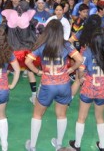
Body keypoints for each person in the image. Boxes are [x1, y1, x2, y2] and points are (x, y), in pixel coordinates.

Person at [24, 20, 83, 151]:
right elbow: (80, 59)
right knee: (61, 114)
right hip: (63, 84)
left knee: (38, 114)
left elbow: (28, 61)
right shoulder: (66, 45)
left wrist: (38, 71)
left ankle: (32, 145)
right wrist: (70, 69)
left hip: (47, 84)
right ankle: (58, 144)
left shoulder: (42, 45)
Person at [69, 28, 104, 151]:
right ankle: (102, 145)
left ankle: (77, 145)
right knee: (100, 118)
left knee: (81, 117)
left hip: (89, 87)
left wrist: (82, 78)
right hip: (103, 89)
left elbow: (81, 69)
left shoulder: (88, 52)